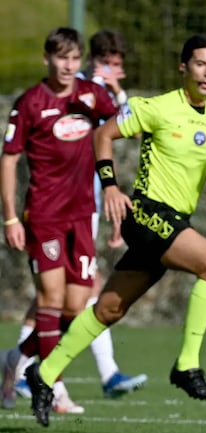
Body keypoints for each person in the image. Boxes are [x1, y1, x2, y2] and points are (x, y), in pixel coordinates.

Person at [24, 33, 206, 427]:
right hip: (146, 212)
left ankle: (42, 375)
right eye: (200, 64)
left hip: (174, 221)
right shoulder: (157, 108)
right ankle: (187, 366)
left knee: (109, 308)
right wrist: (111, 186)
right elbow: (103, 135)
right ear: (184, 67)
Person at [11, 28, 148, 404]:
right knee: (58, 297)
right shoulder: (54, 95)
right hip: (51, 211)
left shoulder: (96, 97)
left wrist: (113, 206)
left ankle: (21, 365)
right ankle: (50, 378)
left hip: (86, 209)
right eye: (109, 65)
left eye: (118, 67)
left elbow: (128, 128)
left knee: (70, 299)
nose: (114, 72)